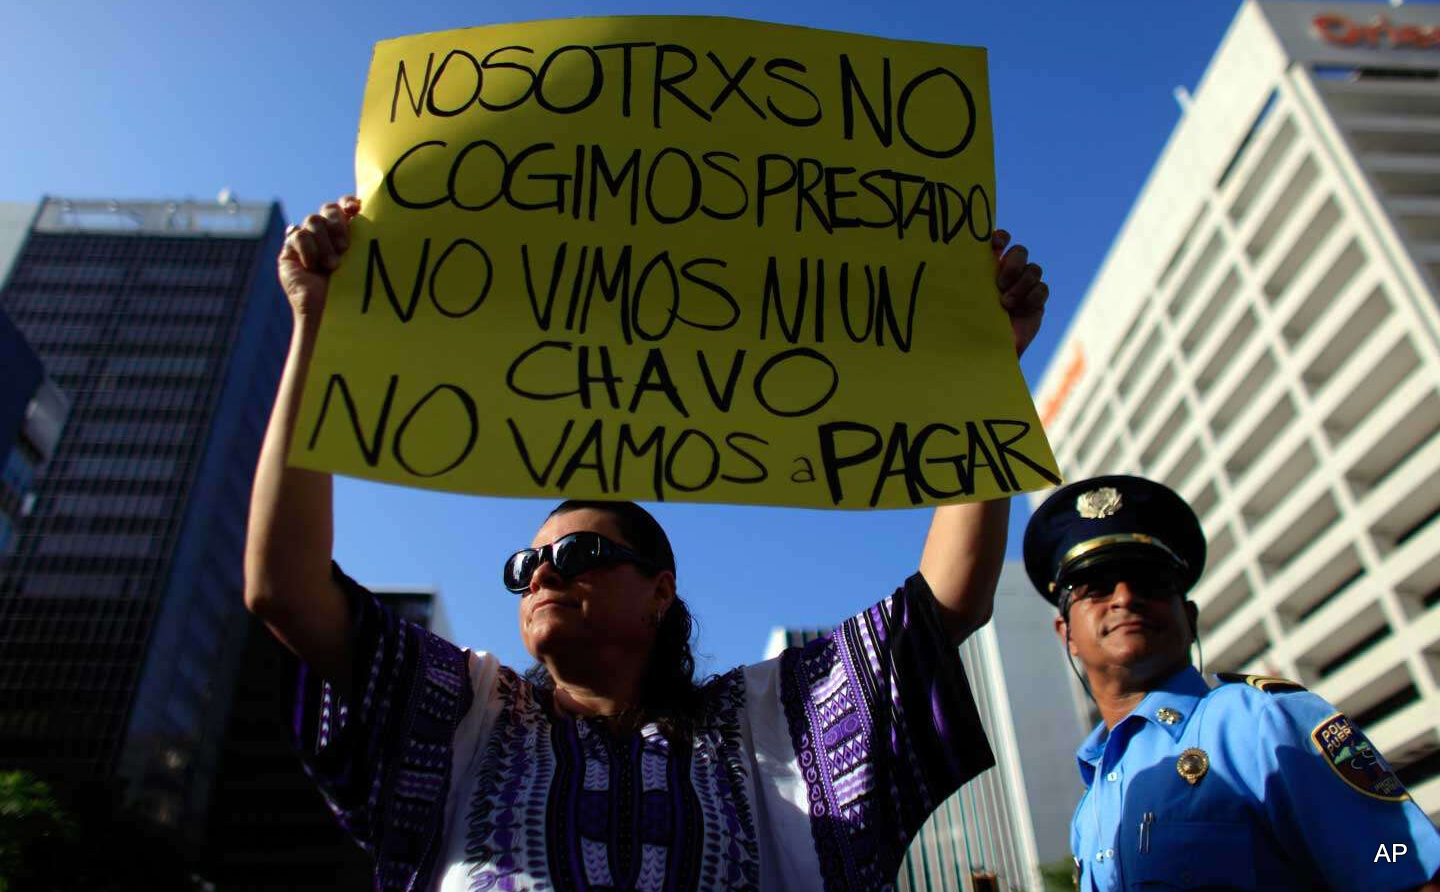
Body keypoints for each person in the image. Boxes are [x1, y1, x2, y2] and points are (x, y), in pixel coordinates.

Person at [244, 196, 1051, 891]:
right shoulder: (468, 715)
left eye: (581, 556)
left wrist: (992, 369)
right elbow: (282, 588)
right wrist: (314, 319)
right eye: (527, 565)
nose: (544, 576)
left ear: (661, 591)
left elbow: (948, 601)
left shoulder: (761, 725)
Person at [1023, 474, 1440, 892]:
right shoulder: (1089, 806)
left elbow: (1399, 861)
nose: (1125, 597)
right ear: (1067, 634)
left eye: (1150, 582)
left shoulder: (1262, 720)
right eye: (1096, 588)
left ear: (1189, 618)